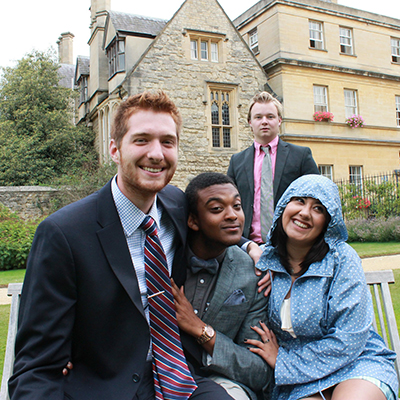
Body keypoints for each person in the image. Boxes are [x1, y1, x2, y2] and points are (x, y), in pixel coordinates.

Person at [9, 91, 234, 399]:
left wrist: (253, 248)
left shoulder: (177, 206)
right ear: (115, 149)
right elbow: (35, 368)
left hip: (180, 377)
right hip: (105, 386)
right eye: (142, 140)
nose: (157, 153)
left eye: (167, 142)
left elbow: (221, 225)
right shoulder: (63, 234)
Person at [246, 174, 398, 400]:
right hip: (299, 378)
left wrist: (283, 361)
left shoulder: (342, 259)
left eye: (318, 208)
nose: (305, 213)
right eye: (299, 201)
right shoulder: (267, 260)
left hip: (356, 363)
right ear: (283, 206)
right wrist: (249, 245)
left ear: (328, 221)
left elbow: (350, 338)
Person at [171, 172, 272, 400]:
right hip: (161, 371)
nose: (232, 216)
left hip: (222, 380)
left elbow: (259, 370)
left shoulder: (254, 274)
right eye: (217, 209)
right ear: (193, 220)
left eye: (237, 206)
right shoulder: (166, 255)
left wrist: (201, 330)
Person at [227, 92, 319, 244]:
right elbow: (229, 203)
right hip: (249, 246)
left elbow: (318, 198)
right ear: (250, 122)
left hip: (291, 244)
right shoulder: (237, 161)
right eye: (258, 117)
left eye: (270, 117)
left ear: (279, 120)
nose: (264, 122)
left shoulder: (300, 156)